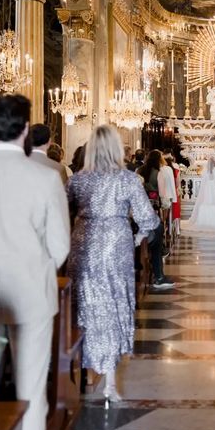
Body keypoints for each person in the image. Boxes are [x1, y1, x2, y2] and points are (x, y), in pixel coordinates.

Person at [0, 94, 70, 430]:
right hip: (30, 294)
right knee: (30, 386)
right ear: (24, 129)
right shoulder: (43, 178)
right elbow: (59, 247)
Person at [66, 126, 174, 406]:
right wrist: (137, 236)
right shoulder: (127, 180)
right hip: (116, 242)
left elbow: (64, 210)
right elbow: (149, 219)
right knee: (113, 303)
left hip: (83, 240)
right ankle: (110, 384)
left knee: (84, 302)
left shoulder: (77, 180)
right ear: (116, 149)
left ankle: (79, 372)